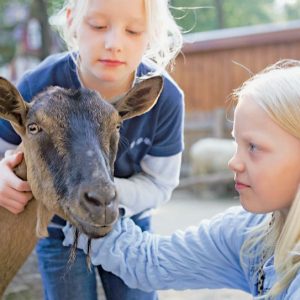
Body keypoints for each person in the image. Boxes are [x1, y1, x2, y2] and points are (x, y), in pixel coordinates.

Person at [64, 59, 300, 299]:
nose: (233, 162)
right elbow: (149, 262)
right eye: (236, 143)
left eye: (253, 146)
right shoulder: (253, 232)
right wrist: (78, 192)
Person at [0, 0, 184, 299]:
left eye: (134, 30)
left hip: (127, 218)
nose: (113, 43)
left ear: (151, 35)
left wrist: (107, 192)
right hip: (58, 225)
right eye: (98, 26)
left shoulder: (165, 100)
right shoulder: (37, 83)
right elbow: (4, 151)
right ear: (72, 22)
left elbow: (161, 184)